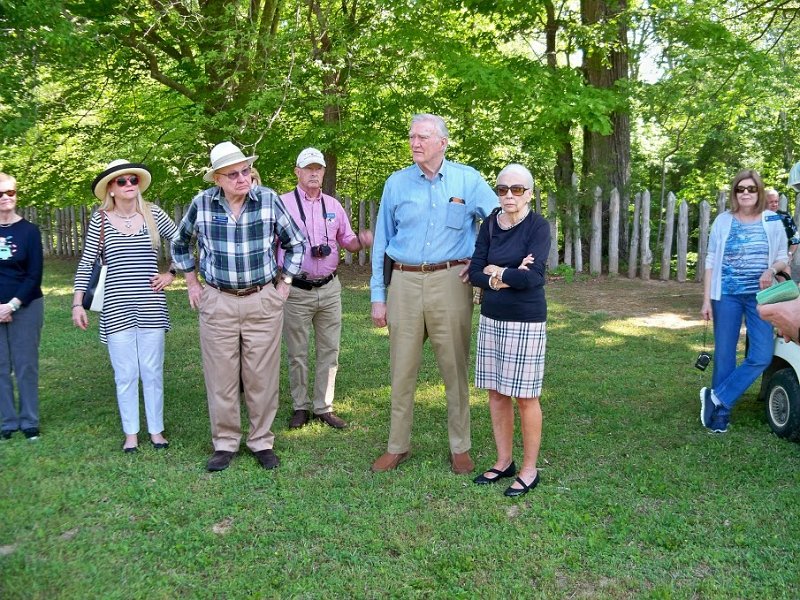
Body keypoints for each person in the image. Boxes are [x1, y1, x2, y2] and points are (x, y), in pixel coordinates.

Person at [369, 114, 498, 474]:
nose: (414, 143)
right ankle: (397, 446)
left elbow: (497, 220)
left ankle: (460, 447)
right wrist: (378, 295)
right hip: (404, 284)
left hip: (450, 282)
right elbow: (381, 243)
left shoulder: (467, 180)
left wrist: (480, 260)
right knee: (401, 371)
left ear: (443, 142)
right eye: (411, 136)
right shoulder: (395, 183)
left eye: (423, 137)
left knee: (454, 368)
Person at [171, 141, 306, 472]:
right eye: (233, 174)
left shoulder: (269, 200)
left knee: (261, 377)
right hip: (217, 301)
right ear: (217, 178)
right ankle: (225, 443)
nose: (242, 178)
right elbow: (179, 243)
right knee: (222, 378)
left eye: (245, 171)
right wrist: (191, 282)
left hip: (262, 300)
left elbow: (296, 244)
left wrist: (284, 285)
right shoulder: (201, 204)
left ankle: (261, 441)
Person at [72, 161, 177, 452]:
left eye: (133, 179)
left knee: (152, 370)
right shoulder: (101, 220)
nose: (129, 184)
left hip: (151, 305)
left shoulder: (153, 213)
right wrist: (77, 303)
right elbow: (86, 261)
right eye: (122, 181)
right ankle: (131, 433)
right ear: (111, 190)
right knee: (126, 373)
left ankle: (156, 431)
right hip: (116, 307)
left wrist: (171, 274)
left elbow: (183, 240)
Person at [468, 164, 550, 497]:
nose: (509, 196)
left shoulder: (538, 227)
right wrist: (500, 276)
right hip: (492, 318)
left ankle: (529, 470)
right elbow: (474, 270)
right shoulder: (490, 223)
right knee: (496, 393)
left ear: (529, 193)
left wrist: (497, 270)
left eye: (517, 190)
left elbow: (534, 277)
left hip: (526, 320)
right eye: (503, 189)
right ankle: (504, 462)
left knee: (526, 398)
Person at [279, 148, 373, 430]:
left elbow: (348, 241)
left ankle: (323, 406)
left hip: (330, 288)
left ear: (323, 172)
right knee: (297, 352)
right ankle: (300, 406)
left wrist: (362, 240)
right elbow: (272, 245)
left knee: (329, 350)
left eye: (318, 168)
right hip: (295, 289)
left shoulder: (333, 205)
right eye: (308, 168)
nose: (313, 173)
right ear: (297, 172)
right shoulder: (282, 204)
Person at [700, 169, 788, 434]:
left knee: (761, 355)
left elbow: (784, 257)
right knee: (725, 354)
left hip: (760, 298)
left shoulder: (773, 220)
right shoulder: (723, 221)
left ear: (759, 192)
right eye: (741, 189)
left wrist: (771, 271)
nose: (746, 193)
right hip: (726, 295)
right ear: (735, 193)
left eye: (751, 189)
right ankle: (721, 414)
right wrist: (706, 300)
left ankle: (717, 397)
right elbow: (711, 260)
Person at [0, 173, 44, 441]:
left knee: (26, 364)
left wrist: (11, 306)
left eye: (10, 192)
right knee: (0, 366)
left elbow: (34, 274)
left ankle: (29, 420)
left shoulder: (29, 231)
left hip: (26, 306)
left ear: (16, 194)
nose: (5, 198)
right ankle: (7, 421)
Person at [765, 188, 798, 268]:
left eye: (776, 201)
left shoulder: (786, 217)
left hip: (780, 257)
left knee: (786, 274)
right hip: (762, 258)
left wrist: (790, 253)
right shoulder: (757, 217)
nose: (774, 204)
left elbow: (795, 238)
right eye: (771, 202)